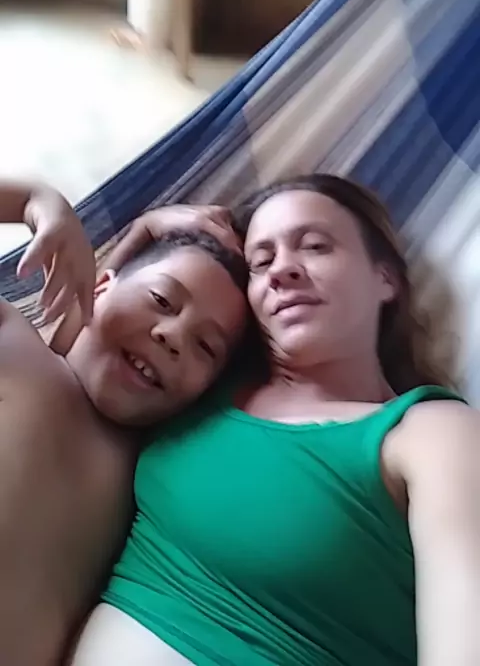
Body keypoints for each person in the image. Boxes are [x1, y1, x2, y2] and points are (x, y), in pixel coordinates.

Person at [71, 173, 480, 666]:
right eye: (260, 262)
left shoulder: (429, 432)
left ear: (385, 278)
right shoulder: (203, 382)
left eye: (315, 246)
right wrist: (147, 229)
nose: (282, 269)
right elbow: (95, 332)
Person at [0, 179, 248, 666]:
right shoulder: (14, 345)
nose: (172, 336)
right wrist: (33, 200)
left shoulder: (151, 479)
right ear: (99, 286)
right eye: (162, 300)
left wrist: (144, 233)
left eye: (206, 347)